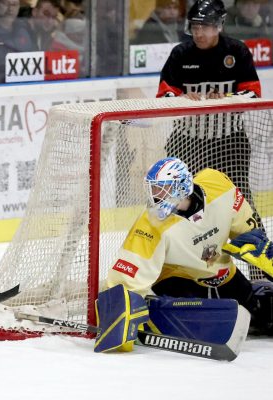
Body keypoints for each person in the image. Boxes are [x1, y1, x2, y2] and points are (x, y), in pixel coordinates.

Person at [97, 157, 273, 352]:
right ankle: (155, 313)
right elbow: (128, 274)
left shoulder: (217, 185)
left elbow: (246, 227)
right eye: (152, 189)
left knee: (260, 311)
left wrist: (252, 241)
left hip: (222, 272)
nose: (155, 196)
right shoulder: (150, 223)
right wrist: (118, 317)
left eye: (160, 189)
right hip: (177, 280)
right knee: (205, 321)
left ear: (181, 186)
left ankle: (260, 293)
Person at [156, 0, 263, 228]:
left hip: (230, 142)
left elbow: (253, 94)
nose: (198, 32)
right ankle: (192, 260)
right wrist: (180, 99)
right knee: (180, 204)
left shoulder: (236, 51)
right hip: (186, 142)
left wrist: (226, 100)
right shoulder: (181, 54)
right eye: (195, 27)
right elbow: (163, 96)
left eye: (204, 27)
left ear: (219, 26)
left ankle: (260, 263)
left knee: (242, 203)